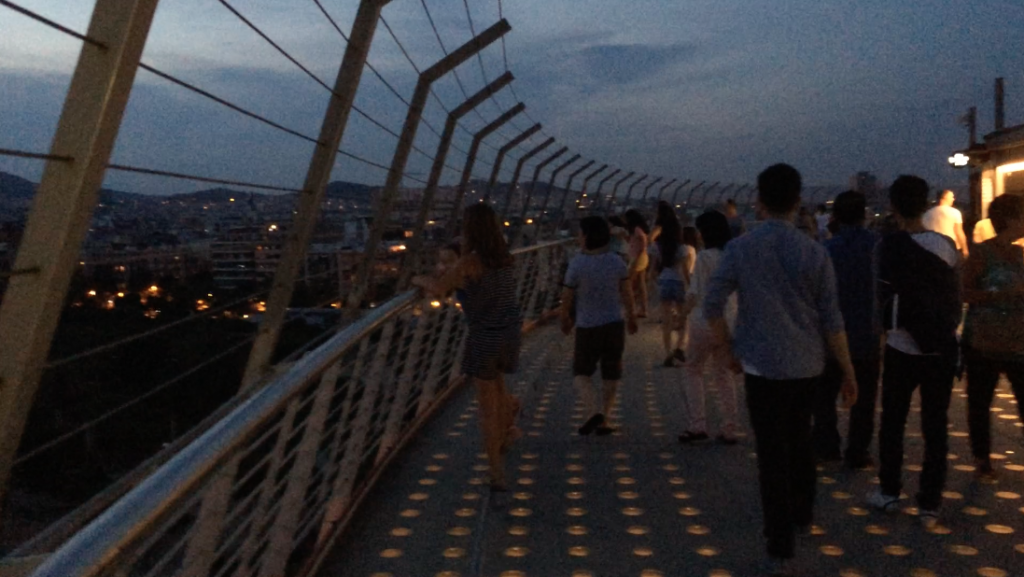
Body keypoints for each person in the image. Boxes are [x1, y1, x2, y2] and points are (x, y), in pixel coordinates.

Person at [703, 163, 857, 575]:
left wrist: (728, 348)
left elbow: (712, 305)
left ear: (760, 201)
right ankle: (804, 513)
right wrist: (848, 371)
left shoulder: (741, 248)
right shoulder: (815, 251)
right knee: (801, 438)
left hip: (760, 364)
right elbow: (832, 319)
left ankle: (779, 540)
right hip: (809, 364)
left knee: (771, 451)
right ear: (798, 201)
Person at [867, 175, 962, 529]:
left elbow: (882, 299)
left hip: (900, 347)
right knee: (935, 426)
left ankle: (890, 492)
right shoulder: (946, 246)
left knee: (893, 422)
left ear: (892, 206)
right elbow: (956, 296)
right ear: (925, 205)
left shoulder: (888, 246)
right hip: (940, 348)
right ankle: (930, 504)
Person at [412, 204, 523, 492]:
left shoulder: (470, 262)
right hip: (509, 331)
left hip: (484, 335)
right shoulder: (504, 258)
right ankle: (508, 429)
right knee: (498, 389)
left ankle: (496, 472)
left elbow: (439, 288)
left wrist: (416, 279)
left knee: (486, 407)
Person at [812, 191, 882, 468]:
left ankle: (827, 445)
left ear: (835, 217)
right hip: (867, 331)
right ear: (865, 215)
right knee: (865, 397)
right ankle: (858, 450)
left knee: (824, 394)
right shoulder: (877, 246)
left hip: (831, 333)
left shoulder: (826, 250)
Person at [962, 194, 1024, 480]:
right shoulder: (981, 254)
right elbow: (964, 293)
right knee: (980, 401)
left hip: (1018, 341)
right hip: (983, 342)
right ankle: (982, 458)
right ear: (1011, 220)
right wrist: (999, 295)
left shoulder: (1020, 253)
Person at [560, 216, 639, 435]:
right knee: (611, 372)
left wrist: (565, 319)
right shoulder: (616, 261)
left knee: (581, 372)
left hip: (587, 326)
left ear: (585, 236)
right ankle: (605, 419)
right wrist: (632, 317)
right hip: (614, 323)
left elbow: (567, 295)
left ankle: (594, 410)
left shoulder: (577, 263)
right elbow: (627, 293)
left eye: (580, 233)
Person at [678, 210, 741, 444]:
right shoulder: (734, 255)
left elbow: (694, 293)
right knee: (723, 374)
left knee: (693, 369)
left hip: (703, 321)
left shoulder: (704, 258)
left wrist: (679, 318)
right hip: (729, 321)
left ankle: (698, 425)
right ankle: (730, 428)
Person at [650, 202, 694, 366]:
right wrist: (690, 287)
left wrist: (654, 283)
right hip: (678, 283)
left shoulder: (657, 246)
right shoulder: (682, 248)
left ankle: (667, 353)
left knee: (666, 320)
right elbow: (685, 271)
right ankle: (679, 347)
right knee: (683, 318)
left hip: (664, 282)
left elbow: (653, 270)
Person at [923, 189, 969, 258]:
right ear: (945, 198)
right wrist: (965, 249)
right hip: (950, 248)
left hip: (931, 248)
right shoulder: (955, 213)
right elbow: (959, 232)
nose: (953, 199)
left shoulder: (927, 214)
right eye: (952, 197)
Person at [624, 209, 651, 317]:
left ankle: (631, 309)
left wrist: (641, 250)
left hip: (637, 258)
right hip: (642, 257)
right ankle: (643, 309)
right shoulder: (639, 229)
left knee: (630, 284)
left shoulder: (636, 229)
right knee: (641, 285)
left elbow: (642, 239)